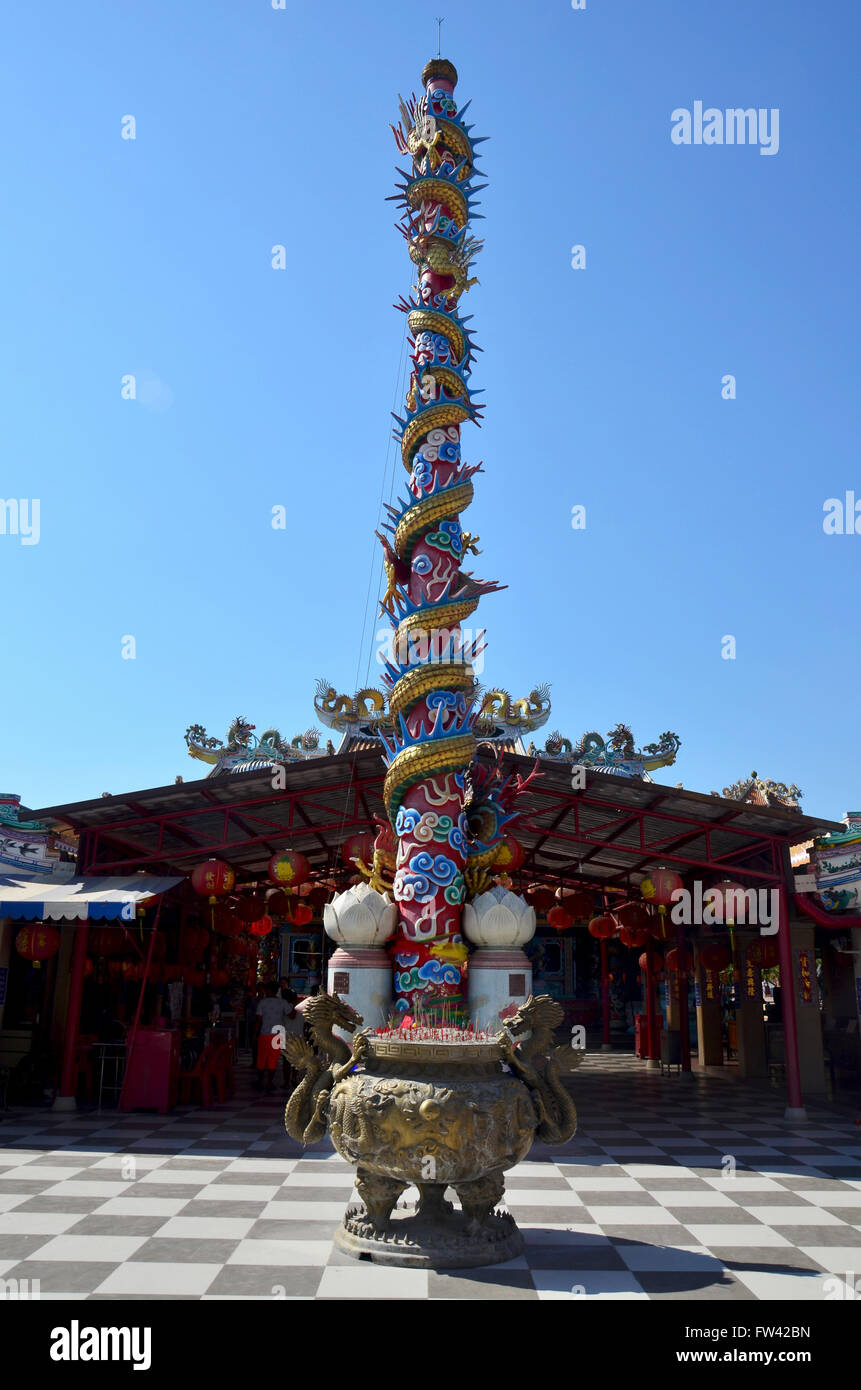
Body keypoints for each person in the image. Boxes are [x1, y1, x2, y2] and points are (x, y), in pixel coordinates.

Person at [252, 982, 294, 1093]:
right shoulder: (282, 1003)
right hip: (278, 1035)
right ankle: (269, 1083)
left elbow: (258, 1021)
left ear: (268, 990)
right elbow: (291, 1015)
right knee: (273, 1059)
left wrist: (254, 1035)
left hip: (264, 1034)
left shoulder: (262, 1002)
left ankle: (261, 1081)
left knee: (261, 1058)